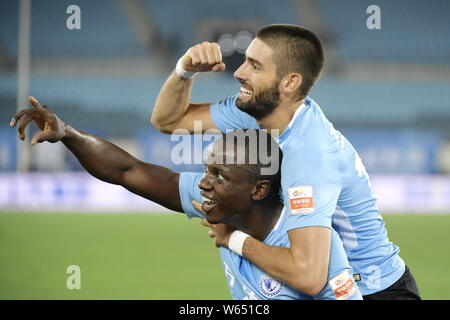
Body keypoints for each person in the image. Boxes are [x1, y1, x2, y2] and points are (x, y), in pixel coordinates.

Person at [150, 24, 421, 299]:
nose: (239, 72)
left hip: (373, 291)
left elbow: (308, 275)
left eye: (255, 67)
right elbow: (168, 120)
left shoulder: (308, 156)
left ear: (290, 83)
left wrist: (233, 237)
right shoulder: (258, 110)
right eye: (245, 61)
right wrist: (185, 70)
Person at [10, 96, 362, 300]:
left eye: (219, 176)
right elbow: (127, 171)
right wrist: (69, 134)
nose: (204, 184)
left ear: (258, 190)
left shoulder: (316, 245)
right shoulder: (217, 202)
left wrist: (234, 240)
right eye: (207, 171)